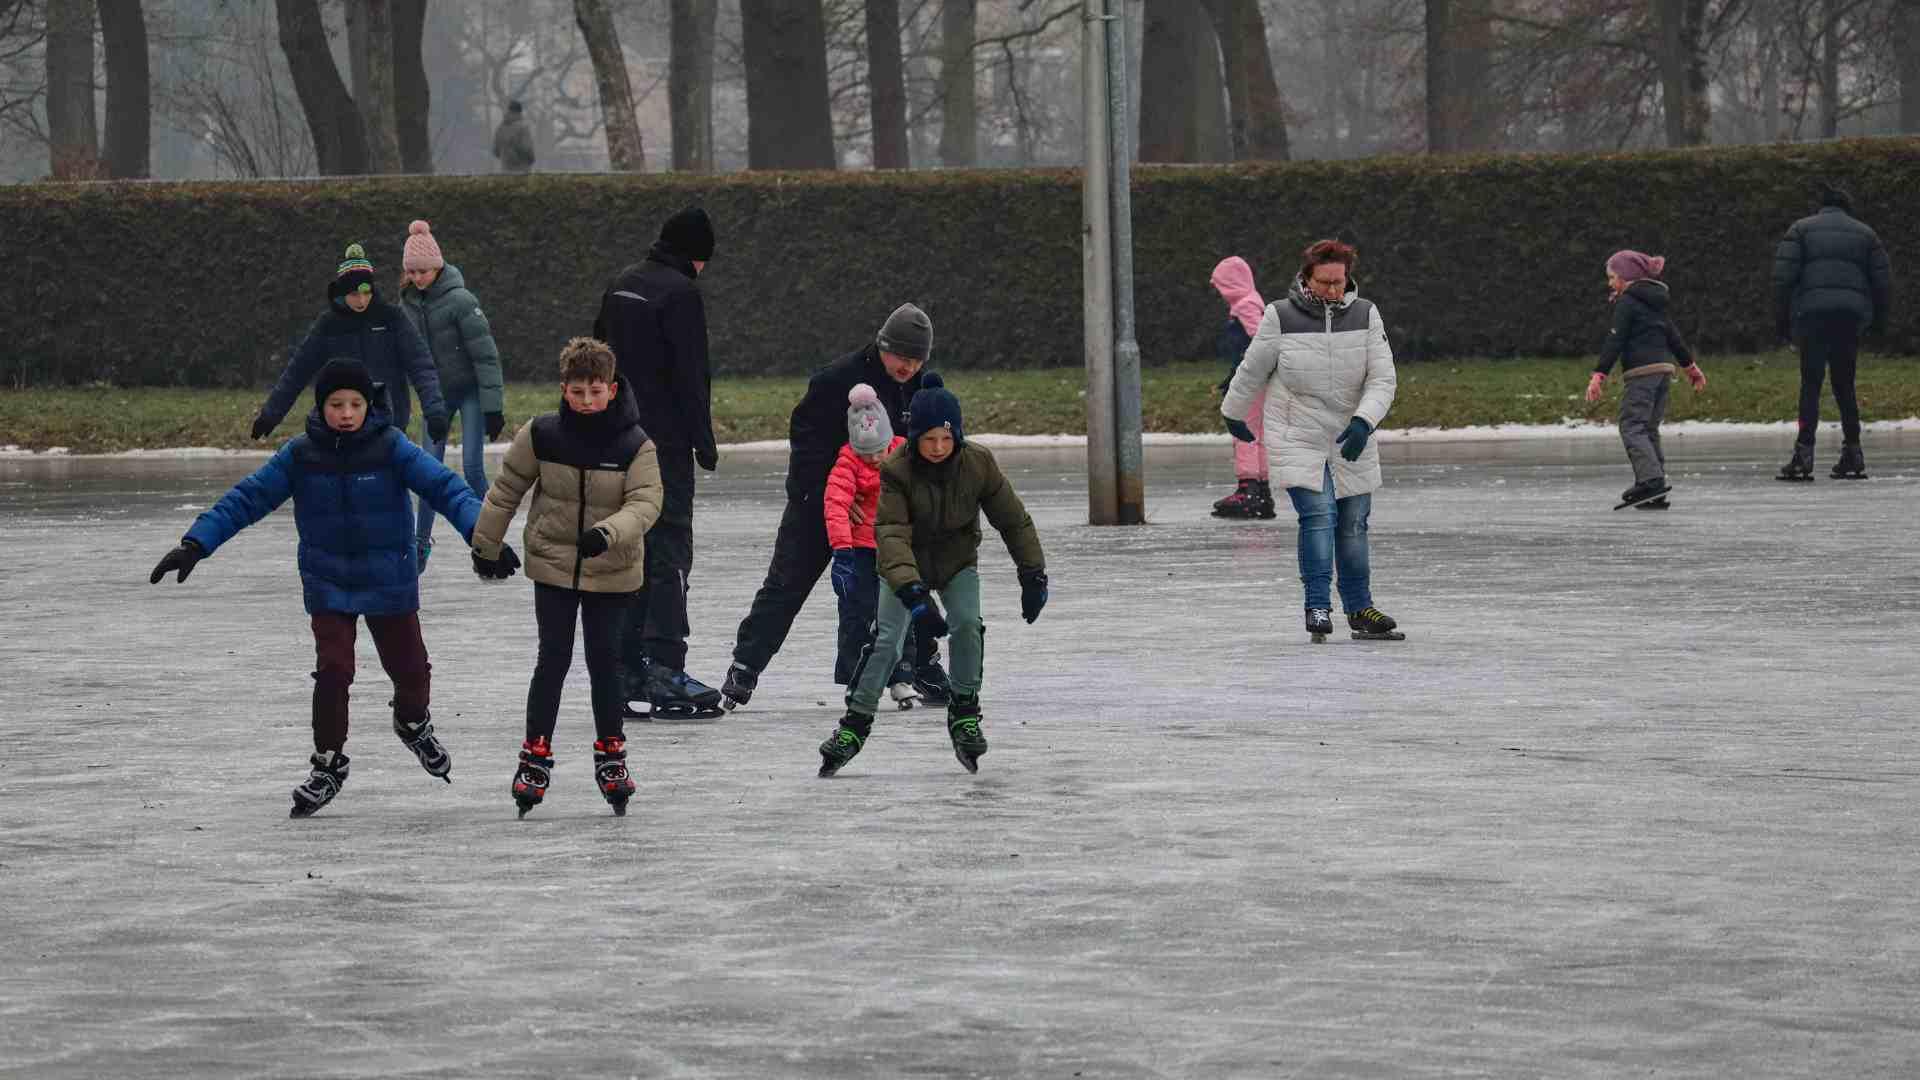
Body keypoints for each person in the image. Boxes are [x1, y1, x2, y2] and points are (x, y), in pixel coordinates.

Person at [150, 359, 495, 818]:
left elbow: (447, 489)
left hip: (388, 576)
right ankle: (329, 763)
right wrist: (195, 544)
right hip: (328, 579)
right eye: (336, 404)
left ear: (368, 405)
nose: (347, 413)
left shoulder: (392, 447)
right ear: (322, 406)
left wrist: (481, 536)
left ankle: (413, 722)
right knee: (333, 670)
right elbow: (248, 498)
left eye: (355, 404)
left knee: (411, 669)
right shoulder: (301, 454)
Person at [817, 373, 1049, 778]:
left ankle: (963, 712)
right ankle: (854, 724)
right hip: (904, 564)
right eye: (929, 439)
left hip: (958, 562)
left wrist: (1033, 574)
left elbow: (1014, 521)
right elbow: (890, 535)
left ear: (956, 434)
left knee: (967, 626)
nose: (938, 448)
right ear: (915, 438)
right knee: (887, 639)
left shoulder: (979, 463)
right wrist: (913, 593)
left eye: (946, 438)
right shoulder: (896, 469)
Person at [468, 338, 662, 819]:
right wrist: (485, 547)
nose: (587, 402)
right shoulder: (543, 435)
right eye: (577, 392)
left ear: (612, 389)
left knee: (603, 659)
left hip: (612, 568)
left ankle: (611, 752)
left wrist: (607, 533)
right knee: (551, 658)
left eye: (595, 392)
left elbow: (645, 503)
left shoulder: (635, 445)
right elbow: (505, 490)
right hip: (553, 565)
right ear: (564, 390)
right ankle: (535, 753)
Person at [720, 304, 939, 713]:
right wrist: (833, 497)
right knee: (786, 584)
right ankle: (746, 665)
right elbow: (807, 447)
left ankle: (922, 665)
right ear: (882, 345)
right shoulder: (836, 381)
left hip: (883, 515)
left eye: (917, 359)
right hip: (820, 505)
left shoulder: (922, 388)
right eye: (901, 357)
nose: (908, 366)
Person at [1220, 239, 1401, 644]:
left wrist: (1363, 422)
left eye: (1339, 282)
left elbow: (1383, 378)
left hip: (1350, 433)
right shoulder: (1280, 316)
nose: (1333, 290)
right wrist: (1233, 412)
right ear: (1307, 277)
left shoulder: (1366, 314)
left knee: (1354, 523)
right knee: (1320, 517)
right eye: (1324, 282)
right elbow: (1252, 369)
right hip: (1296, 431)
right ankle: (1317, 604)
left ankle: (1360, 608)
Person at [593, 206, 723, 719]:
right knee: (669, 550)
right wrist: (704, 442)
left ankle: (625, 666)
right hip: (663, 445)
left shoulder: (622, 284)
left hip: (616, 439)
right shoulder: (681, 293)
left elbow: (594, 357)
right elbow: (692, 375)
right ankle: (666, 665)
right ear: (696, 256)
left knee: (629, 548)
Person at [253, 243, 448, 452]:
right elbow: (297, 371)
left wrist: (434, 411)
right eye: (354, 294)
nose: (362, 300)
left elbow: (420, 365)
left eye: (366, 292)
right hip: (343, 424)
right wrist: (270, 415)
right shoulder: (328, 325)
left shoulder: (391, 318)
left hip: (388, 420)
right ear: (341, 293)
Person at [398, 220, 506, 571]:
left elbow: (485, 355)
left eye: (424, 271)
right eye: (411, 272)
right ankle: (419, 541)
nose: (417, 278)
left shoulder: (461, 300)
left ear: (438, 266)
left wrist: (493, 408)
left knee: (473, 465)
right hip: (436, 396)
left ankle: (490, 536)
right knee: (428, 471)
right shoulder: (407, 305)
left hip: (471, 391)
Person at [1771, 182, 1894, 481]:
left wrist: (1782, 323)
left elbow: (1782, 279)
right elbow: (1883, 283)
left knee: (1810, 385)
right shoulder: (1866, 234)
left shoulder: (1801, 229)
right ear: (1847, 207)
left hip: (1812, 316)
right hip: (1849, 319)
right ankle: (1853, 453)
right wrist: (1877, 323)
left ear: (1821, 205)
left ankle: (1803, 455)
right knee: (1844, 385)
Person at [1585, 251, 1708, 510]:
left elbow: (1615, 339)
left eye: (1612, 277)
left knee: (1632, 426)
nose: (1610, 283)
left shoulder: (1628, 301)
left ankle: (1650, 481)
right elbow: (1673, 335)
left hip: (1642, 373)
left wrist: (1599, 374)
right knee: (1648, 428)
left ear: (1626, 277)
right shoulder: (1656, 302)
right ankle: (1656, 486)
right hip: (1664, 371)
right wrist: (1690, 367)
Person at [824, 383, 920, 707]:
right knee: (858, 613)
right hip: (862, 550)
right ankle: (857, 677)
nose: (876, 459)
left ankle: (902, 677)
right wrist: (842, 552)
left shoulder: (905, 452)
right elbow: (836, 504)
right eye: (869, 454)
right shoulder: (848, 462)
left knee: (901, 613)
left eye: (881, 450)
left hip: (897, 548)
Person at [1208, 256, 1274, 519]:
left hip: (1250, 381)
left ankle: (1248, 489)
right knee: (1257, 434)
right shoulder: (1254, 304)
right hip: (1256, 378)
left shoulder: (1247, 306)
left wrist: (1243, 373)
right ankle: (1261, 491)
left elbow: (1259, 339)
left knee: (1244, 432)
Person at [492, 100, 536, 174]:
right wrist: (531, 159)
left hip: (505, 170)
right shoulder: (523, 127)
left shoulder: (500, 129)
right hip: (522, 170)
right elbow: (527, 148)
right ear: (519, 112)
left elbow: (496, 152)